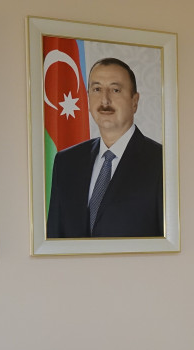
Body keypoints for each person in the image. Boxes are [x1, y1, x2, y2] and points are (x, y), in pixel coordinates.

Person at [46, 57, 163, 238]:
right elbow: (54, 238)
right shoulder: (66, 162)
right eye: (97, 89)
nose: (105, 100)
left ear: (134, 101)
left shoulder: (161, 162)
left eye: (115, 90)